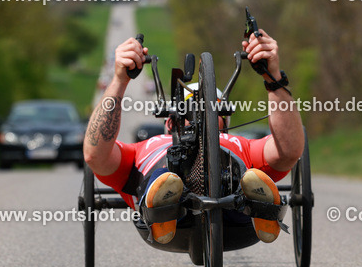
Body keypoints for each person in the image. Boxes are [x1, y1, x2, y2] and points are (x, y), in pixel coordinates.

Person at [83, 27, 304, 244]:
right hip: (171, 208)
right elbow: (95, 155)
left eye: (212, 110)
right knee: (162, 177)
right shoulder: (145, 148)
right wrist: (119, 79)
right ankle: (163, 200)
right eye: (189, 110)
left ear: (224, 123)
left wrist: (273, 78)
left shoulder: (240, 145)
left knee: (246, 178)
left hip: (233, 211)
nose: (200, 115)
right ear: (170, 122)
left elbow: (289, 150)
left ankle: (256, 200)